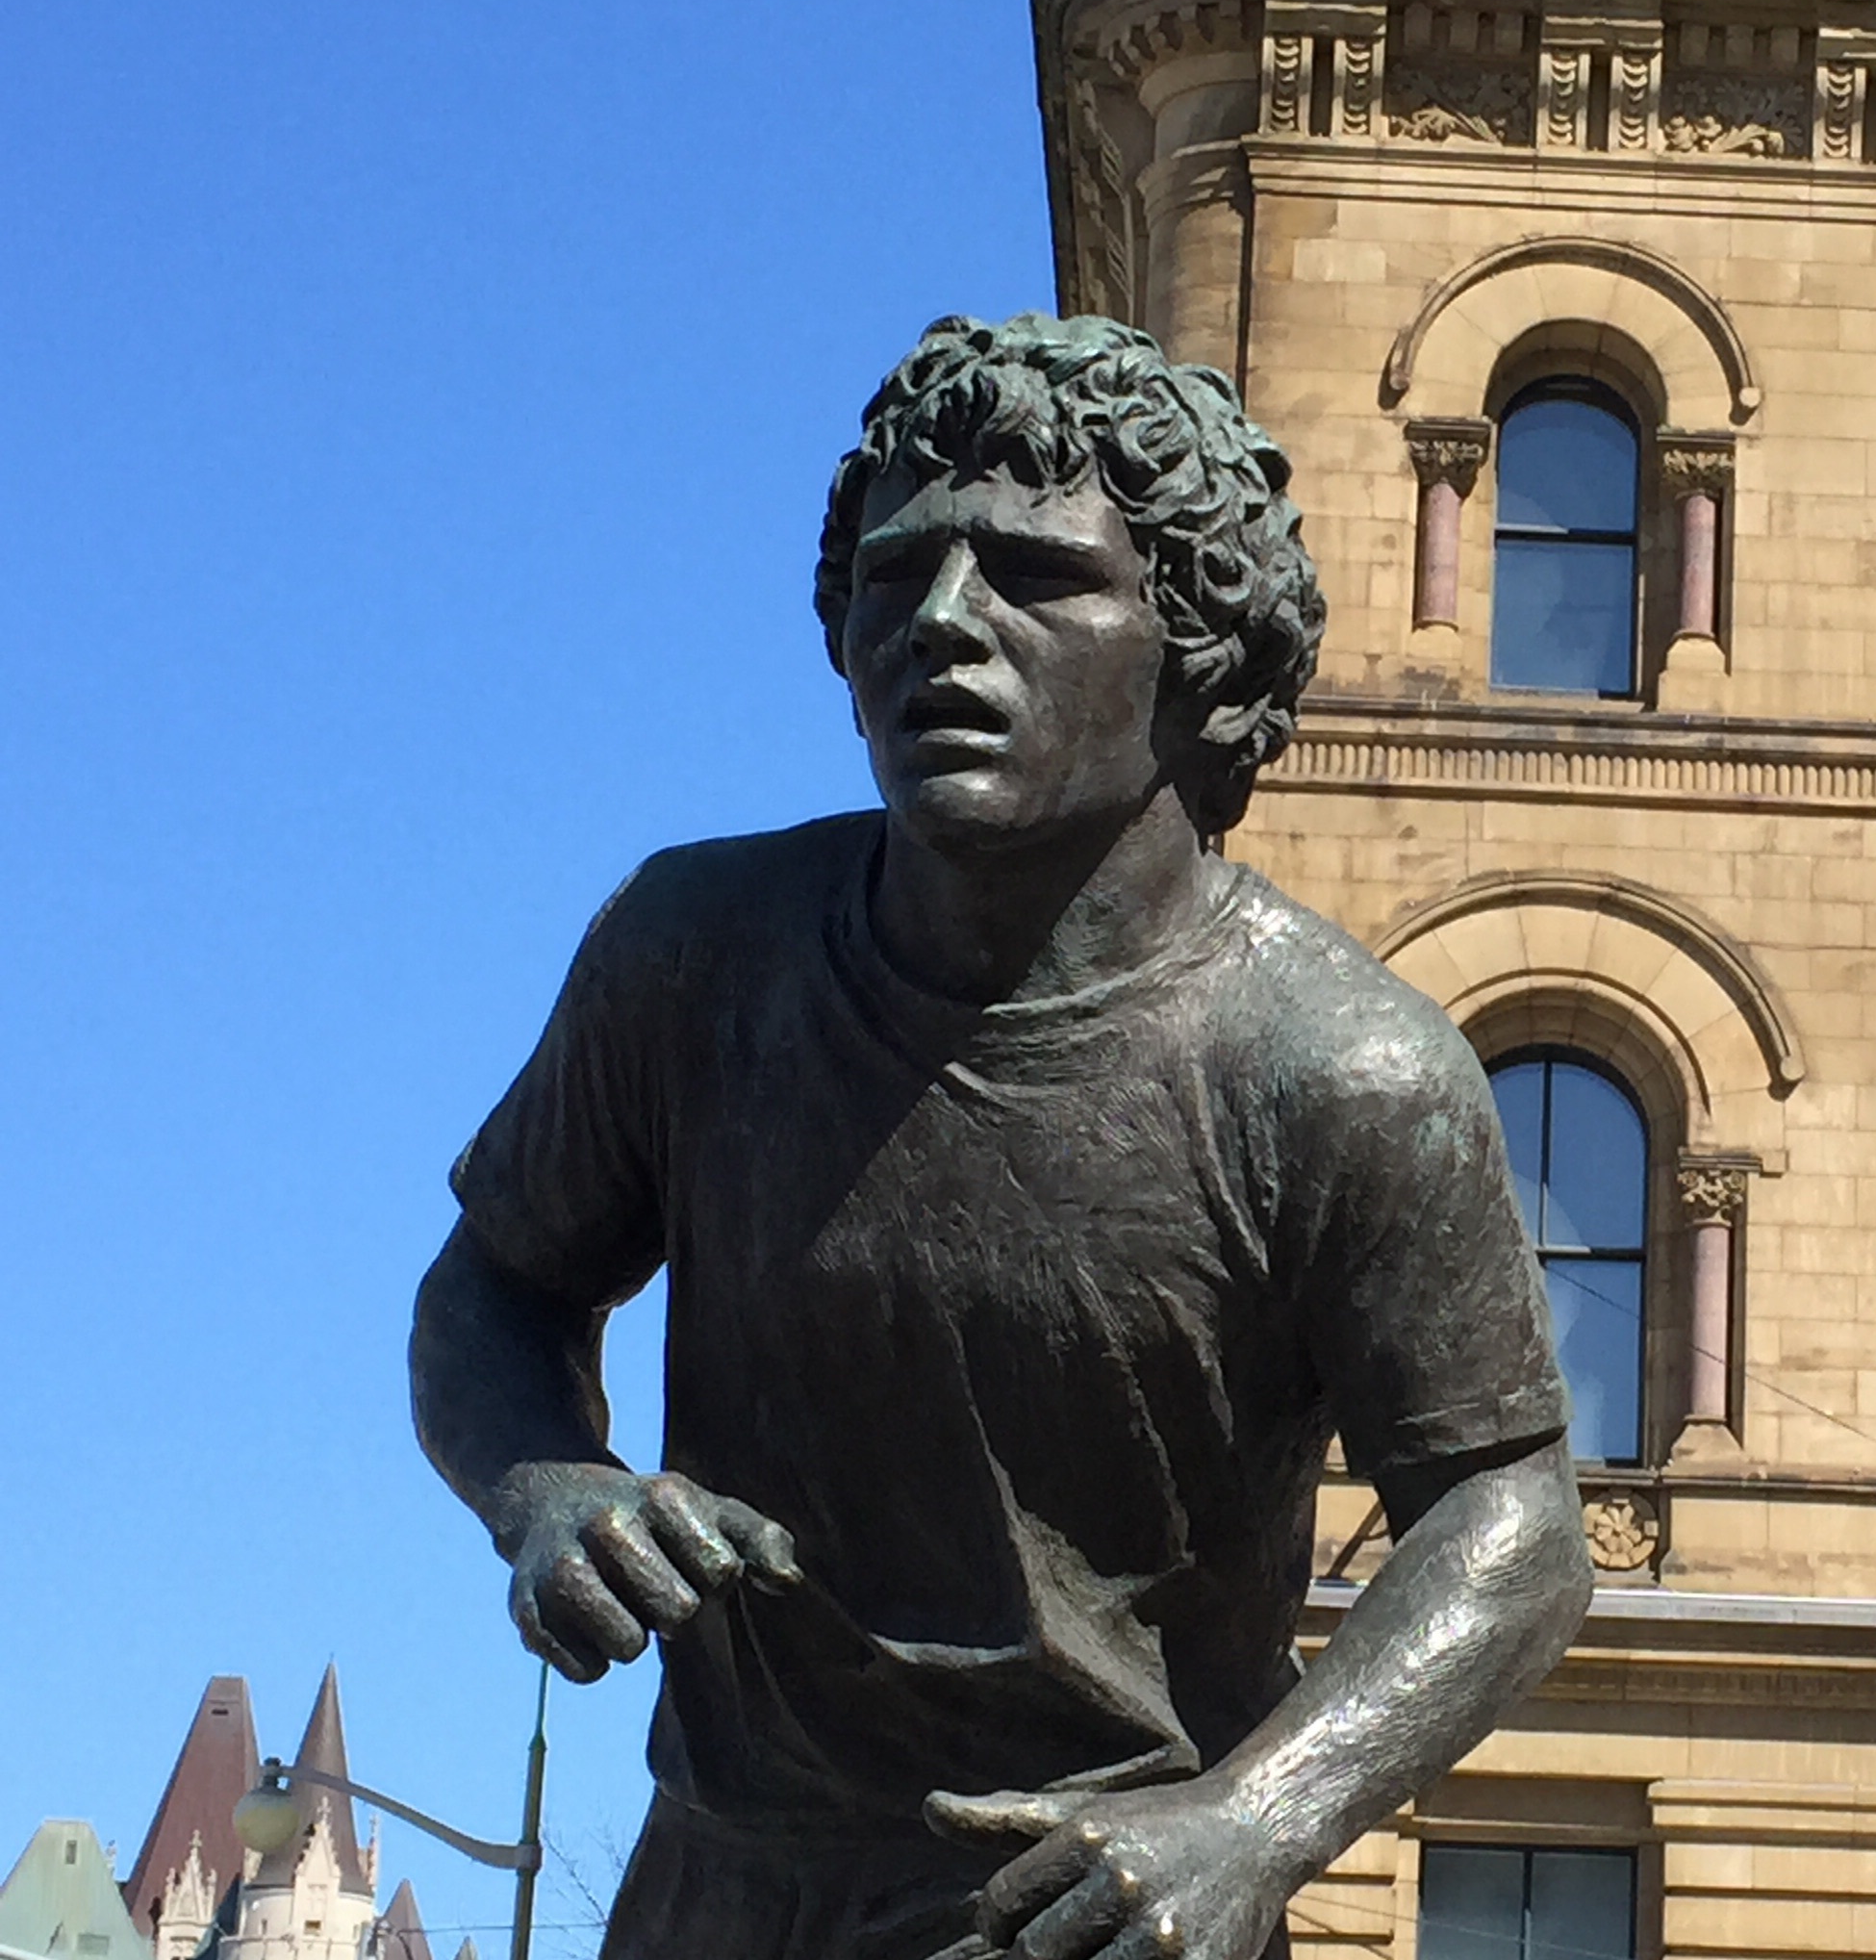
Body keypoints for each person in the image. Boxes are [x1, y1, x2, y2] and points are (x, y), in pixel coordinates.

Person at [411, 313, 1591, 1960]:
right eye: (896, 581)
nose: (943, 629)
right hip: (723, 1887)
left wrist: (1258, 1818)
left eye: (1035, 581)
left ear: (1199, 646)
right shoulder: (692, 957)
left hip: (1093, 1905)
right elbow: (496, 1289)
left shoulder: (1341, 1072)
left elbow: (1510, 1519)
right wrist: (547, 1487)